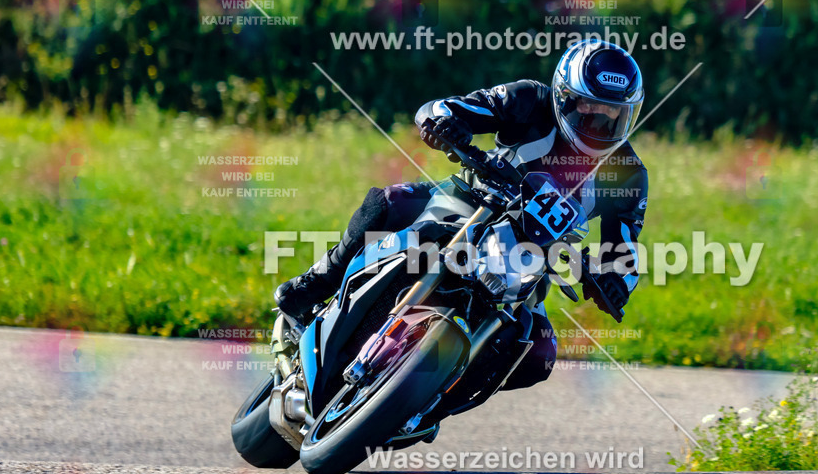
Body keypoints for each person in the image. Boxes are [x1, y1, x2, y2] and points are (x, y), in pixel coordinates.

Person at [275, 39, 649, 390]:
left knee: (540, 354)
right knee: (388, 203)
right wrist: (445, 123)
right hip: (471, 203)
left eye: (613, 114)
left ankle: (430, 402)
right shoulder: (530, 99)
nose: (600, 124)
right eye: (588, 109)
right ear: (564, 97)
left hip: (534, 262)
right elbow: (446, 108)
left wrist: (615, 281)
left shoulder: (629, 173)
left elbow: (626, 250)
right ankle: (316, 284)